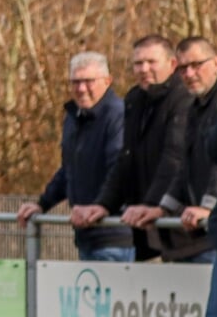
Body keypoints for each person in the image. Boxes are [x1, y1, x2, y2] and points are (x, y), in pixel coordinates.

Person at [15, 52, 129, 317]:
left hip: (114, 232)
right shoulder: (74, 118)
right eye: (75, 82)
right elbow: (68, 171)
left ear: (106, 81)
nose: (81, 88)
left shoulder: (117, 116)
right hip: (87, 234)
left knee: (115, 316)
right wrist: (42, 203)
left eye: (89, 81)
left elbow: (119, 170)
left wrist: (101, 207)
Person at [150, 37, 217, 317]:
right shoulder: (199, 106)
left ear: (216, 63)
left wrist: (207, 207)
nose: (188, 73)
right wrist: (161, 206)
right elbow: (195, 159)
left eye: (195, 64)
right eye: (182, 67)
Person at [78, 36, 186, 266]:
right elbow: (126, 160)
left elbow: (174, 158)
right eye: (138, 63)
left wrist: (152, 205)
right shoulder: (134, 99)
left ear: (172, 64)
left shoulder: (185, 98)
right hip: (148, 231)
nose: (144, 69)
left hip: (185, 229)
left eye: (151, 62)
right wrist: (104, 203)